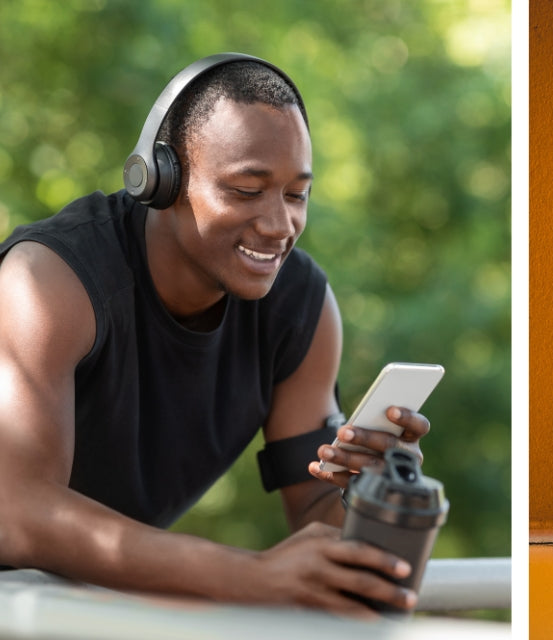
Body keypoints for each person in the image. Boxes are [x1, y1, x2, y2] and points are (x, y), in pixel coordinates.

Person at [0, 54, 431, 616]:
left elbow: (318, 513)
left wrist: (374, 496)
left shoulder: (300, 307)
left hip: (80, 609)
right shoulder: (48, 282)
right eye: (247, 190)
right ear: (161, 180)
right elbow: (15, 511)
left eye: (296, 194)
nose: (280, 226)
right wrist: (252, 574)